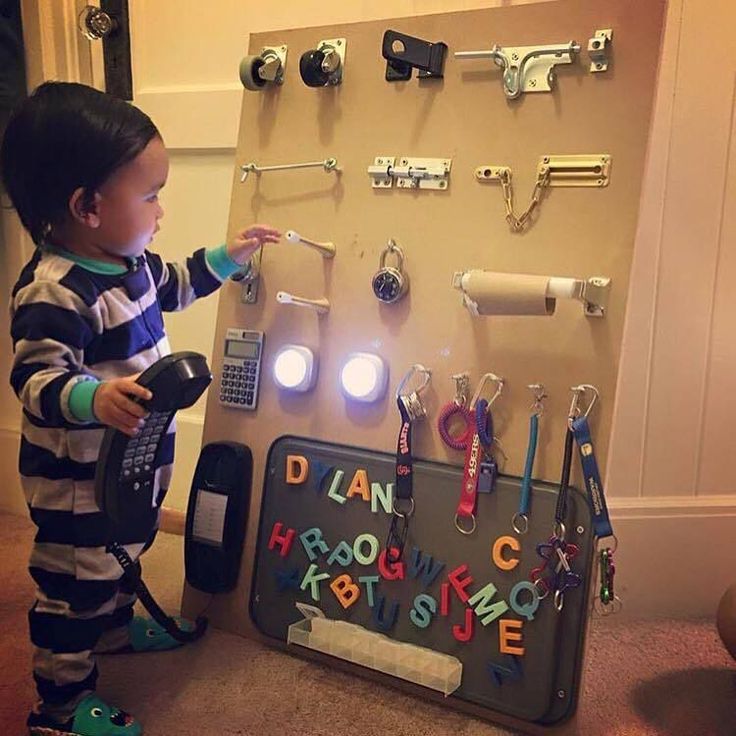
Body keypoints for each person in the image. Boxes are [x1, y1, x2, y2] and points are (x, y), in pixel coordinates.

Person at [0, 81, 280, 736]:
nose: (161, 211)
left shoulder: (130, 262)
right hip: (77, 486)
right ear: (86, 206)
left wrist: (229, 257)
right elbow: (34, 379)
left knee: (130, 549)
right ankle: (60, 709)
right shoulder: (56, 291)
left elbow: (177, 283)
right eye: (150, 194)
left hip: (134, 461)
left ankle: (118, 633)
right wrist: (92, 396)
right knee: (78, 587)